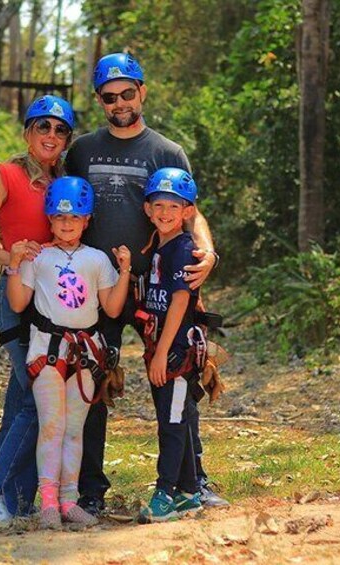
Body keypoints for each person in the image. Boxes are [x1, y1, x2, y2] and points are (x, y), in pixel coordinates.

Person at [64, 52, 228, 515]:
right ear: (99, 100)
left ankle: (192, 480)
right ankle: (90, 491)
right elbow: (64, 210)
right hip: (100, 285)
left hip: (158, 283)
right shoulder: (82, 150)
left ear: (143, 92)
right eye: (109, 96)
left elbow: (194, 209)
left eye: (127, 93)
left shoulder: (166, 151)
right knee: (91, 382)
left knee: (179, 375)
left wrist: (208, 253)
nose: (119, 103)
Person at [0, 95, 75, 528]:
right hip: (17, 301)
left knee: (18, 404)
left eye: (60, 129)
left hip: (56, 306)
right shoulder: (5, 175)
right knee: (35, 402)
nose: (51, 135)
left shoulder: (66, 183)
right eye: (42, 127)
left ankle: (18, 499)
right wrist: (8, 257)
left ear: (67, 139)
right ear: (27, 133)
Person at [6, 176, 131, 528]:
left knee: (75, 429)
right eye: (60, 217)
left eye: (74, 217)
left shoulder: (96, 260)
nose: (66, 223)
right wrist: (15, 264)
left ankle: (68, 501)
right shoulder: (38, 257)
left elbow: (111, 307)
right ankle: (47, 502)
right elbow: (18, 302)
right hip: (48, 349)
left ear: (86, 220)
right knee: (52, 426)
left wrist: (123, 272)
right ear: (49, 218)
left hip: (86, 353)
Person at [136, 167, 207, 522]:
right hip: (160, 346)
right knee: (171, 416)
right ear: (148, 209)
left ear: (188, 211)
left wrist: (163, 352)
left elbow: (180, 301)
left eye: (174, 206)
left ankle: (165, 492)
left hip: (176, 351)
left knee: (173, 422)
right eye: (158, 204)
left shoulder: (182, 248)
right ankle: (190, 492)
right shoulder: (158, 247)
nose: (165, 212)